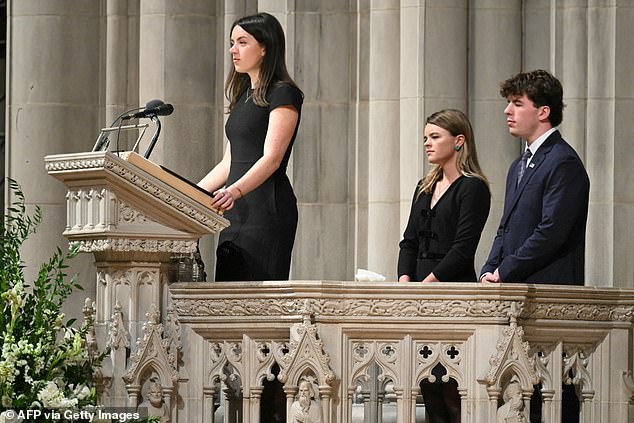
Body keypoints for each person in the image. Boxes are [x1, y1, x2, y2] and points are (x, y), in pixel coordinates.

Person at [198, 12, 303, 281]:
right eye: (232, 43)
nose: (233, 50)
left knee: (256, 303)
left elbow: (272, 158)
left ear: (265, 47)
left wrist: (233, 191)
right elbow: (228, 163)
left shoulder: (283, 93)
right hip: (235, 210)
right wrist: (189, 194)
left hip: (266, 211)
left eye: (242, 42)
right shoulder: (243, 97)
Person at [480, 69, 590, 285]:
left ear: (543, 112)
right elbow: (505, 227)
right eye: (509, 102)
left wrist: (504, 271)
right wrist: (489, 270)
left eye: (517, 103)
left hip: (547, 290)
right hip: (513, 286)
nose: (507, 110)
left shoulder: (563, 162)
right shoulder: (517, 166)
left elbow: (551, 232)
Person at [398, 109, 491, 283]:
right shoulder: (424, 186)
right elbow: (409, 242)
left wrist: (428, 285)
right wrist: (405, 283)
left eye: (435, 137)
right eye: (425, 138)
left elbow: (463, 249)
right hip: (416, 287)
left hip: (453, 287)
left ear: (459, 140)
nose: (427, 143)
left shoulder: (473, 187)